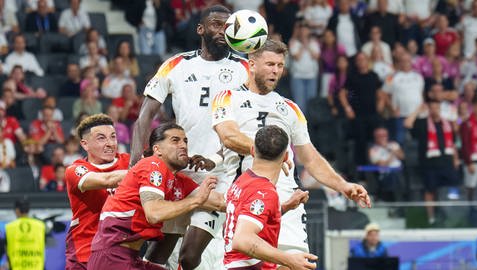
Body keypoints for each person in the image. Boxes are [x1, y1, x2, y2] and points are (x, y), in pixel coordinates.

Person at [212, 39, 371, 260]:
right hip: (246, 200)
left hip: (287, 201)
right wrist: (269, 152)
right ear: (252, 64)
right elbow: (228, 136)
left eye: (279, 65)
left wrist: (343, 186)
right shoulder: (227, 98)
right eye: (269, 64)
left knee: (296, 264)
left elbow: (311, 158)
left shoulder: (290, 108)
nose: (275, 71)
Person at [130, 5, 249, 269]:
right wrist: (136, 159)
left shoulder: (244, 67)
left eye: (228, 27)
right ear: (201, 29)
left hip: (219, 174)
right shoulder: (177, 65)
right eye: (217, 25)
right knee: (157, 254)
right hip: (179, 172)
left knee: (189, 256)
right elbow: (145, 114)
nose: (222, 31)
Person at [87, 123, 224, 270]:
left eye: (185, 141)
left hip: (130, 256)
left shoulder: (179, 181)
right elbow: (154, 213)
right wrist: (196, 201)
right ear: (157, 149)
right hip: (112, 257)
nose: (183, 145)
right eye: (175, 140)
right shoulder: (152, 165)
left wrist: (247, 189)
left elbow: (220, 203)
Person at [224, 125, 317, 269]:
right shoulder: (264, 192)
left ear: (253, 151)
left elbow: (251, 217)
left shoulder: (243, 180)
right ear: (286, 156)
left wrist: (285, 207)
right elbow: (242, 240)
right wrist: (289, 260)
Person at [64, 114, 129, 269]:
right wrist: (139, 172)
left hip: (121, 254)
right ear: (85, 144)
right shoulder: (75, 170)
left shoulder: (128, 161)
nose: (110, 143)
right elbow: (106, 180)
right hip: (85, 254)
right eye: (101, 138)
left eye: (113, 137)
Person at [404, 101, 459, 225]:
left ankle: (451, 216)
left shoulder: (447, 124)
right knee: (430, 191)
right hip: (429, 165)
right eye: (432, 108)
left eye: (437, 108)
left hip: (447, 163)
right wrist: (418, 110)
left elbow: (453, 142)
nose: (434, 110)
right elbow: (407, 123)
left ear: (440, 108)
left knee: (451, 189)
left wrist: (455, 158)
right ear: (428, 109)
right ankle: (431, 218)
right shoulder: (423, 123)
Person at [5, 197, 45, 270]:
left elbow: (4, 248)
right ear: (28, 210)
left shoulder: (9, 227)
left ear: (17, 210)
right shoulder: (40, 226)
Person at [460, 96, 477, 201]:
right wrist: (469, 162)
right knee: (471, 188)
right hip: (472, 161)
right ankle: (471, 210)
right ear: (473, 107)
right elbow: (465, 144)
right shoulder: (466, 123)